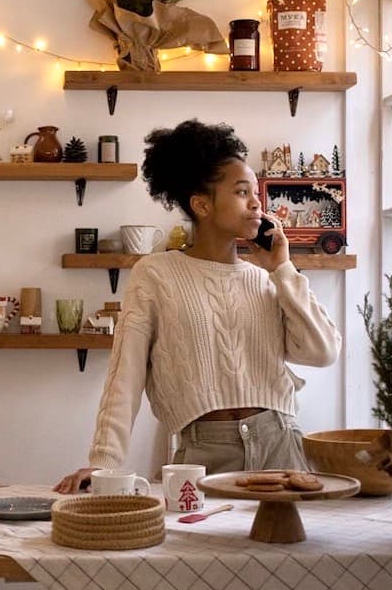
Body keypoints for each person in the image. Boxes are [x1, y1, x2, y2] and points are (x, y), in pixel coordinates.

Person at [54, 120, 341, 494]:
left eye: (255, 192)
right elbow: (125, 375)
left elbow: (323, 352)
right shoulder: (156, 274)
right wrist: (103, 463)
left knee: (285, 552)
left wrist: (283, 269)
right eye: (241, 192)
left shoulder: (266, 279)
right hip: (200, 455)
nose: (257, 202)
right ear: (202, 204)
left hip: (281, 446)